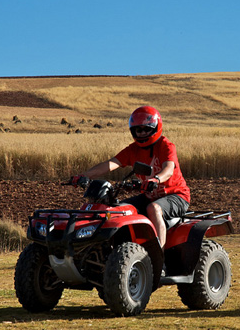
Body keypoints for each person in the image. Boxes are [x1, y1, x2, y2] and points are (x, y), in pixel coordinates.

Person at [71, 106, 190, 248]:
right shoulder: (133, 150)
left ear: (155, 128)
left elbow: (169, 169)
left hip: (177, 195)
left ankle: (159, 257)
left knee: (154, 209)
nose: (142, 133)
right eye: (138, 130)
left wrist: (156, 179)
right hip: (149, 196)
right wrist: (84, 175)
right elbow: (111, 163)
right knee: (118, 210)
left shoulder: (165, 146)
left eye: (146, 129)